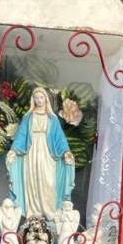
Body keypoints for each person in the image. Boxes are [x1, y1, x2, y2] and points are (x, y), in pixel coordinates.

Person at [6, 88, 75, 219]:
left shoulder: (52, 118)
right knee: (32, 180)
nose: (39, 100)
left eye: (41, 97)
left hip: (47, 152)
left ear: (46, 99)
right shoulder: (28, 117)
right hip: (31, 152)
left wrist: (66, 151)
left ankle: (49, 210)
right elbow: (21, 136)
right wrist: (13, 150)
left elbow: (59, 138)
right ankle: (33, 212)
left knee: (48, 181)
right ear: (33, 100)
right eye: (36, 98)